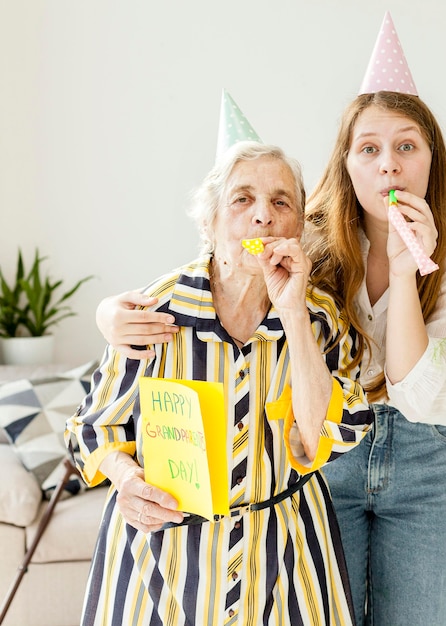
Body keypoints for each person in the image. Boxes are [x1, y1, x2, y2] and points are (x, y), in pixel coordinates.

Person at [94, 13, 446, 626]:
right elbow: (224, 273)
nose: (388, 165)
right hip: (330, 461)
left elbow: (416, 387)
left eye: (406, 146)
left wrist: (405, 265)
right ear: (347, 165)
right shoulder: (309, 245)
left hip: (423, 456)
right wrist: (107, 316)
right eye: (369, 150)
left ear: (430, 161)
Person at [66, 141, 372, 626]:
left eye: (280, 202)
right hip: (163, 558)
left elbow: (321, 438)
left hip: (285, 555)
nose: (262, 218)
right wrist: (127, 482)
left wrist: (292, 310)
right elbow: (92, 430)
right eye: (242, 199)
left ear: (297, 225)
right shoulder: (154, 311)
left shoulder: (319, 319)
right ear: (208, 223)